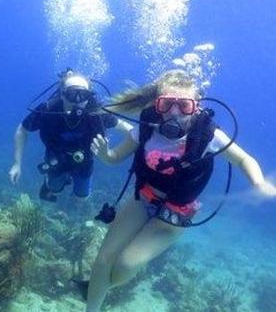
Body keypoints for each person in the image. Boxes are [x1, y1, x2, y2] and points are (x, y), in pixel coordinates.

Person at [84, 69, 276, 311]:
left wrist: (258, 183)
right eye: (167, 104)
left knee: (125, 265)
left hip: (175, 214)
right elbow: (114, 157)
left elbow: (243, 160)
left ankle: (97, 289)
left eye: (184, 106)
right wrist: (104, 155)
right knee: (103, 260)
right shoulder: (145, 127)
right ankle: (91, 306)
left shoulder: (208, 134)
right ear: (157, 104)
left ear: (196, 107)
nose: (174, 113)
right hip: (143, 197)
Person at [8, 70, 132, 206]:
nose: (77, 101)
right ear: (62, 94)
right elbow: (22, 130)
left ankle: (70, 192)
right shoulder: (48, 110)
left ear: (89, 96)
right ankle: (51, 184)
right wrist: (17, 163)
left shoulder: (96, 113)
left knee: (82, 197)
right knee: (54, 190)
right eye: (72, 94)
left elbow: (124, 126)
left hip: (85, 162)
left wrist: (142, 135)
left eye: (83, 95)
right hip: (55, 160)